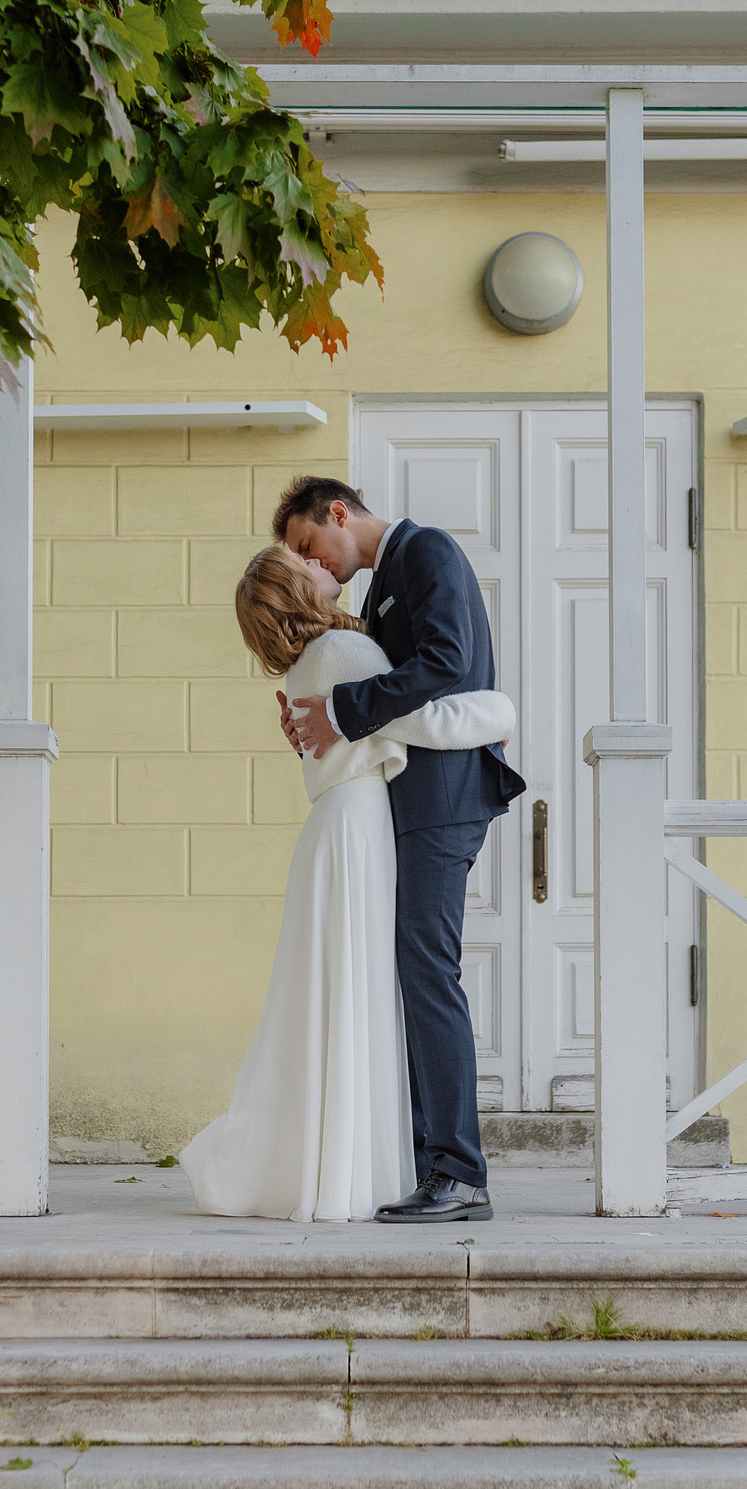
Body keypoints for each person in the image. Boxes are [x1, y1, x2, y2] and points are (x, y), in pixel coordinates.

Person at [177, 545, 516, 1223]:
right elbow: (429, 719)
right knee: (370, 990)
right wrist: (502, 711)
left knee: (343, 996)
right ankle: (406, 1163)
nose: (318, 564)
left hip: (338, 829)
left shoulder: (315, 660)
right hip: (360, 832)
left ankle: (354, 1159)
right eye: (302, 564)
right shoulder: (341, 653)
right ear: (296, 592)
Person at [277, 476, 523, 1225]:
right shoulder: (384, 583)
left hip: (445, 797)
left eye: (309, 545)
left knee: (427, 969)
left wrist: (343, 709)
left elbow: (446, 662)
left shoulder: (426, 552)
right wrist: (319, 711)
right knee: (412, 971)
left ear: (338, 513)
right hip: (411, 801)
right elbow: (392, 689)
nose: (312, 563)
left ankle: (459, 1173)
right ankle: (424, 1161)